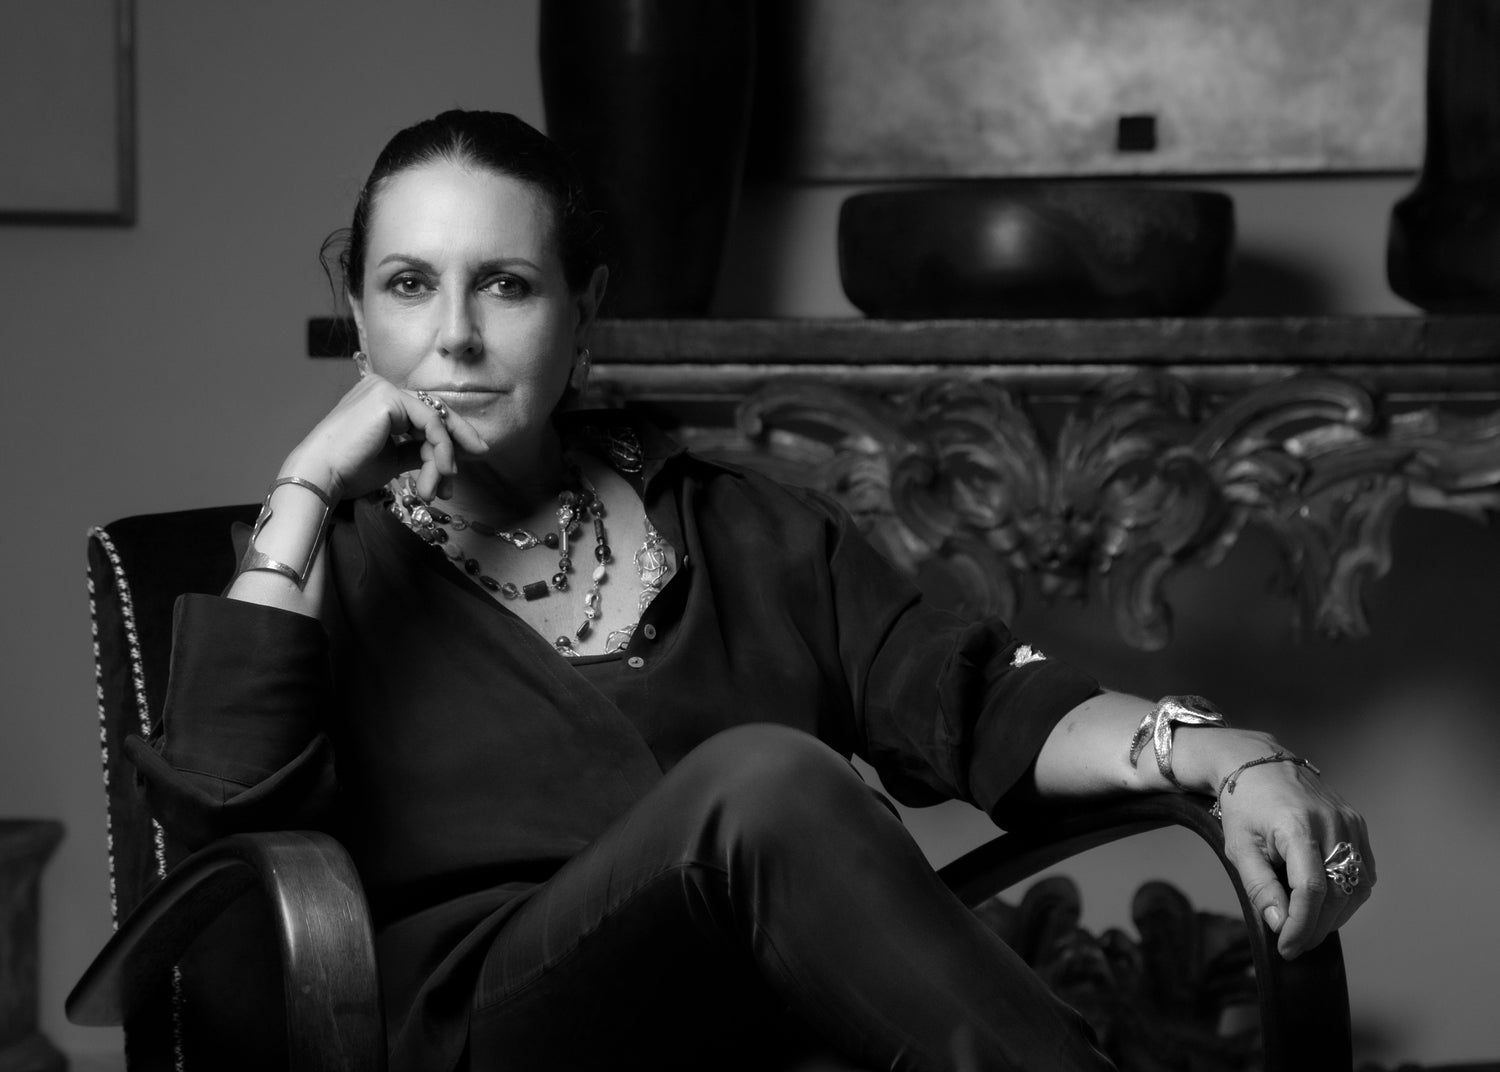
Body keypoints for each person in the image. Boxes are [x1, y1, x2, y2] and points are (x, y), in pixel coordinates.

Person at [127, 110, 1374, 1072]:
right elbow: (226, 869)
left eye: (505, 284)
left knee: (775, 798)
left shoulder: (741, 525)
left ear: (582, 311)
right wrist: (304, 486)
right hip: (477, 1034)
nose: (454, 335)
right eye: (409, 284)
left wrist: (1224, 754)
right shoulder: (310, 568)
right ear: (358, 317)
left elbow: (981, 699)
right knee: (766, 778)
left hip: (772, 1023)